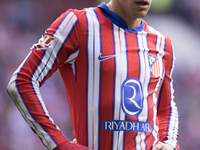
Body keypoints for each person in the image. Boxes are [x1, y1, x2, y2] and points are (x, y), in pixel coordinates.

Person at [7, 0, 179, 150]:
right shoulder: (78, 24)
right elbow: (22, 80)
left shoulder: (162, 43)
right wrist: (59, 143)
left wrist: (169, 143)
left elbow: (166, 107)